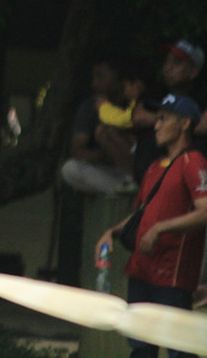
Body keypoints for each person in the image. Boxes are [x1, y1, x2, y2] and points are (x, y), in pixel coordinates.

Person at [96, 94, 207, 358]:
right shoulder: (154, 168)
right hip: (141, 271)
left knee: (178, 349)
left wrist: (160, 229)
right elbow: (141, 215)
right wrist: (111, 232)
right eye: (156, 119)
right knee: (140, 348)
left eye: (163, 119)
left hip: (172, 276)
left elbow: (205, 210)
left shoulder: (193, 163)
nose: (156, 125)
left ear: (184, 124)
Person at [60, 58, 137, 194]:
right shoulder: (90, 107)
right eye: (94, 77)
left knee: (106, 132)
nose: (94, 84)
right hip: (108, 170)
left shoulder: (134, 103)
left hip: (135, 168)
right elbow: (77, 150)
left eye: (100, 77)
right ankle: (125, 189)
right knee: (70, 169)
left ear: (118, 80)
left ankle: (134, 186)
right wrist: (106, 156)